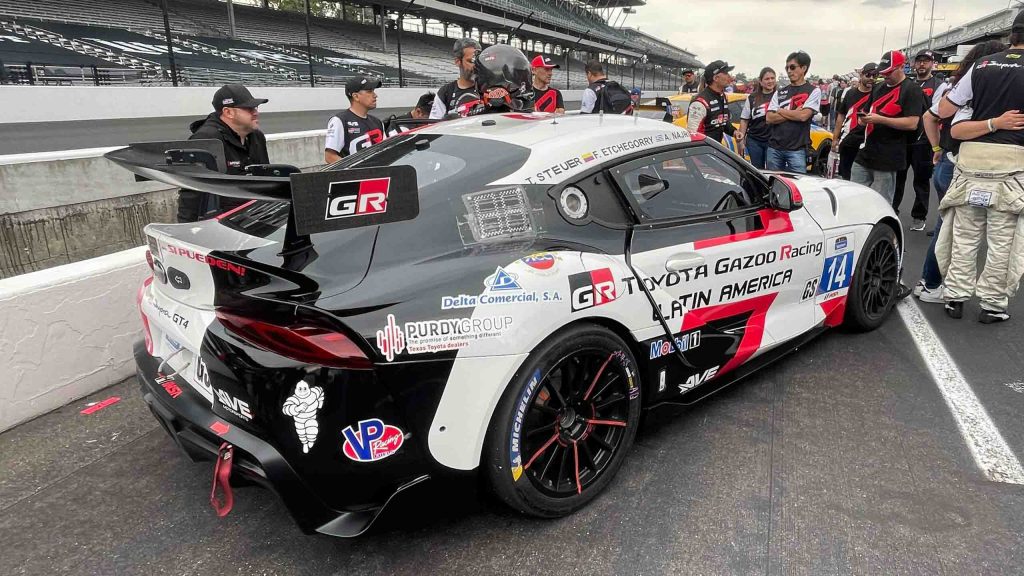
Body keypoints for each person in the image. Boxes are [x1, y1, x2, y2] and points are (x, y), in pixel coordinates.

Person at [935, 10, 1024, 323]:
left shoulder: (982, 64)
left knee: (964, 236)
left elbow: (945, 110)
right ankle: (992, 306)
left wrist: (985, 114)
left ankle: (954, 297)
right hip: (1012, 164)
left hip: (971, 162)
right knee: (1002, 243)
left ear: (1011, 34)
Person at [915, 41, 1007, 304]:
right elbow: (945, 123)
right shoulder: (982, 93)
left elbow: (929, 117)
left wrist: (936, 148)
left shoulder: (953, 88)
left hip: (947, 160)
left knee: (950, 227)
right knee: (960, 231)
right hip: (963, 164)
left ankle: (931, 282)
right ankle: (933, 284)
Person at [178, 84, 269, 222]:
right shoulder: (206, 139)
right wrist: (187, 227)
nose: (256, 112)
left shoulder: (256, 136)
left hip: (256, 217)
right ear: (228, 112)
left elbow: (267, 178)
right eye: (249, 108)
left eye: (256, 107)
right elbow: (191, 191)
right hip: (223, 224)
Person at [850, 50, 926, 203]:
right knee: (854, 197)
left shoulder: (912, 89)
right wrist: (863, 120)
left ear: (901, 67)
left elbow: (912, 123)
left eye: (889, 72)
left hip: (888, 156)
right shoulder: (878, 87)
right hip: (866, 151)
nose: (885, 75)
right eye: (883, 72)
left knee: (880, 201)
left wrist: (881, 120)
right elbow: (866, 111)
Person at [894, 50, 944, 231]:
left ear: (932, 63)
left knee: (921, 180)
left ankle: (919, 216)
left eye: (926, 61)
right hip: (903, 138)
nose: (922, 64)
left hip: (924, 141)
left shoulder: (939, 85)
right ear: (914, 64)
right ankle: (892, 210)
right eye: (919, 61)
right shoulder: (908, 83)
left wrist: (936, 143)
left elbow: (936, 113)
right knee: (897, 178)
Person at [766, 51, 821, 173]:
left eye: (792, 67)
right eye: (787, 68)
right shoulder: (780, 92)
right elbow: (769, 118)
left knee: (798, 183)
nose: (789, 71)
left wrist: (780, 110)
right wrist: (793, 113)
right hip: (774, 148)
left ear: (803, 68)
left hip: (797, 150)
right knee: (772, 181)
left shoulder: (813, 91)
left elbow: (803, 116)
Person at [831, 63, 876, 180]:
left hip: (867, 143)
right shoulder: (850, 93)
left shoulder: (877, 94)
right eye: (868, 75)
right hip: (848, 140)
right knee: (846, 177)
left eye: (874, 75)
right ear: (861, 75)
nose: (871, 78)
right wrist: (835, 139)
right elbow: (841, 116)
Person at [325, 76, 385, 163]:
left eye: (373, 91)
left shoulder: (377, 122)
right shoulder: (339, 121)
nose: (375, 95)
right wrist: (355, 169)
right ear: (356, 96)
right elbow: (330, 157)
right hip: (355, 172)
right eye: (369, 91)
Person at [429, 37, 482, 119]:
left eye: (478, 61)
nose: (475, 66)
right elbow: (433, 124)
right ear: (458, 62)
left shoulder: (488, 88)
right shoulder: (445, 93)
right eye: (471, 61)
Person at [687, 60, 736, 144]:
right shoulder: (700, 102)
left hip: (715, 148)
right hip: (703, 149)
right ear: (716, 78)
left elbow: (722, 122)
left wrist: (734, 132)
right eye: (726, 73)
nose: (729, 76)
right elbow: (693, 134)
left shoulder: (723, 96)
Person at [739, 67, 777, 169]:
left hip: (773, 141)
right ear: (760, 81)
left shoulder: (780, 96)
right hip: (754, 140)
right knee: (757, 170)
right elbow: (744, 119)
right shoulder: (752, 97)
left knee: (772, 171)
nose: (770, 81)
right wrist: (741, 140)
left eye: (772, 78)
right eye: (767, 79)